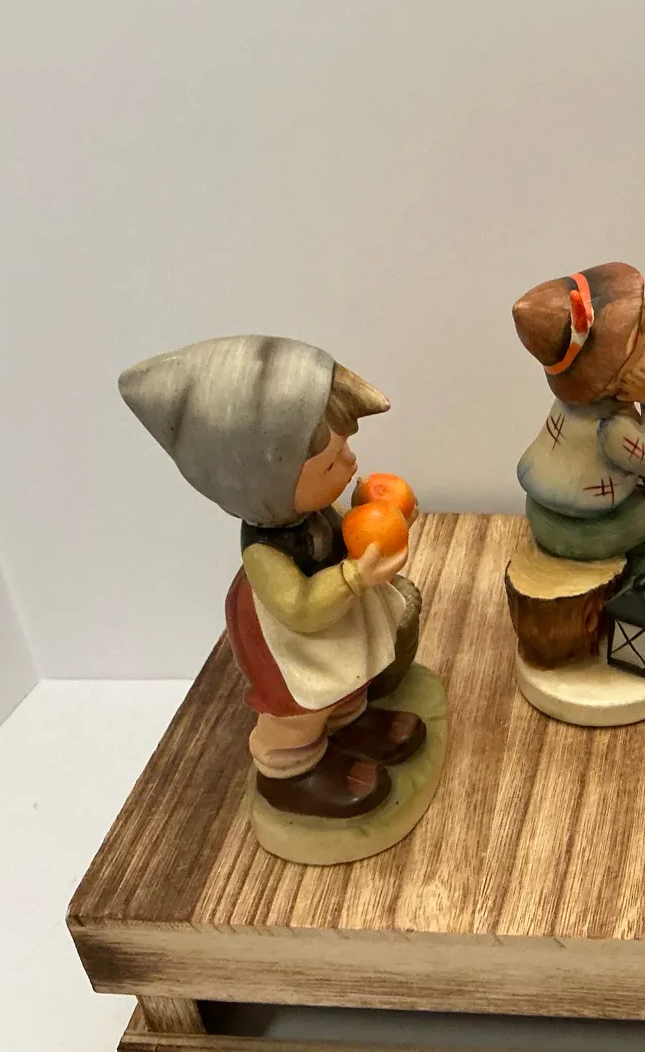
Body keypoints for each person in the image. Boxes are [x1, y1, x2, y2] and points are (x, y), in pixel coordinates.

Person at [119, 336, 425, 820]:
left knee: (346, 674)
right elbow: (299, 609)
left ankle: (348, 721)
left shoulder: (313, 511)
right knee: (300, 705)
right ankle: (289, 770)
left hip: (335, 618)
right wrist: (353, 576)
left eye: (345, 451)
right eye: (331, 462)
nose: (351, 464)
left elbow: (346, 537)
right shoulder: (266, 552)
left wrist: (377, 522)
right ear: (265, 484)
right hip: (288, 639)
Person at [513, 262, 645, 586]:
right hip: (585, 532)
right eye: (643, 344)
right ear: (610, 378)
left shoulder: (569, 405)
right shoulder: (612, 427)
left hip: (539, 511)